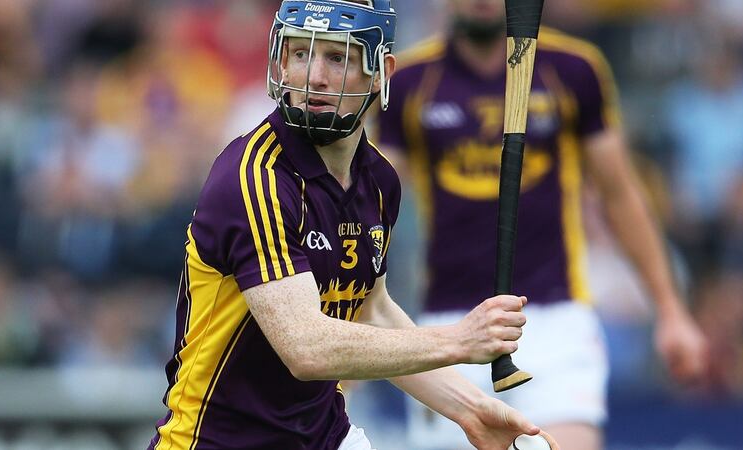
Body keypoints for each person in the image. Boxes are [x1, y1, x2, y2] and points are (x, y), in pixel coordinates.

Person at [148, 1, 543, 449]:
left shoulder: (378, 180)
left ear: (381, 71)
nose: (313, 77)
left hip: (325, 436)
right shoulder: (252, 178)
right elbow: (306, 347)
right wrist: (458, 340)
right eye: (300, 54)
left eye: (337, 57)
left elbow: (370, 310)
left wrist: (469, 409)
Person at [374, 1, 709, 449]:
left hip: (554, 321)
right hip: (448, 329)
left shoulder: (572, 70)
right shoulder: (412, 81)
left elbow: (620, 195)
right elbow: (372, 209)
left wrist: (670, 310)